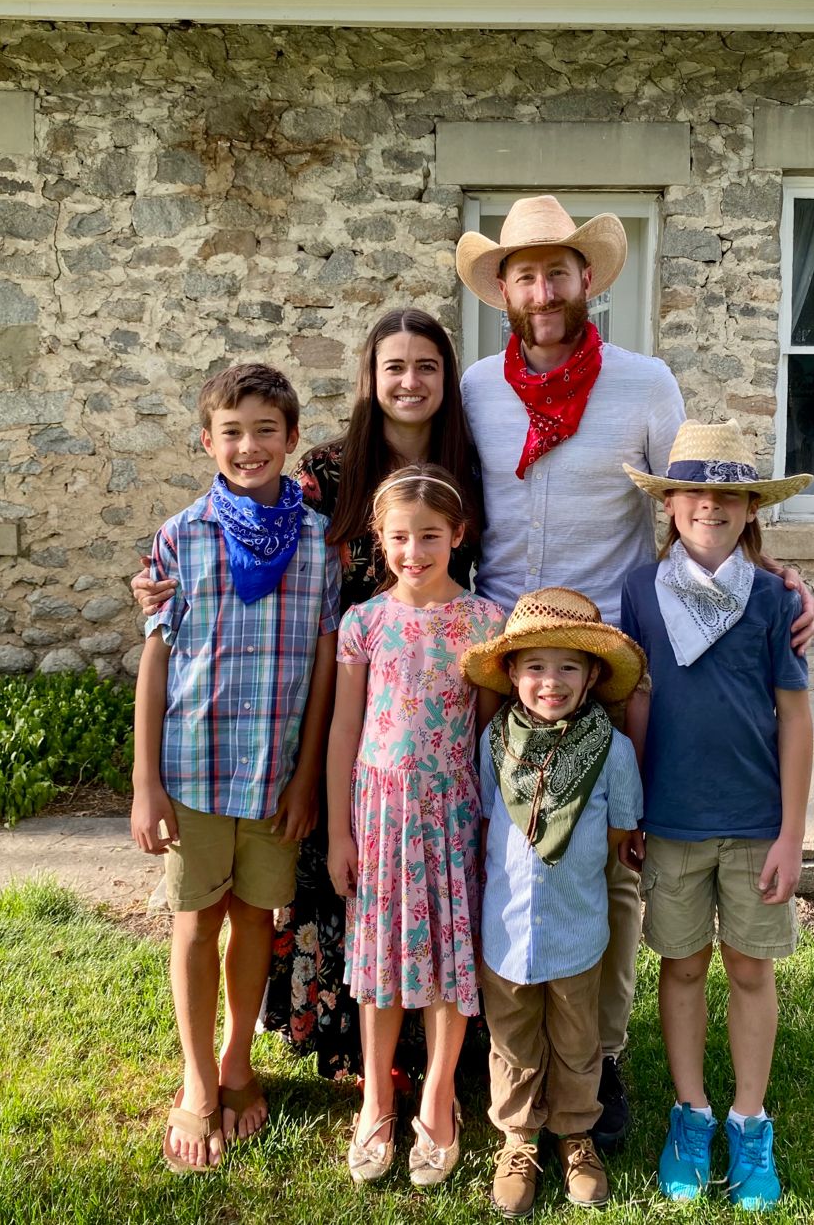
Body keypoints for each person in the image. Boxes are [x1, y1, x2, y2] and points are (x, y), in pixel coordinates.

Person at [455, 194, 814, 1148]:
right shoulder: (475, 391)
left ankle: (599, 1057)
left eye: (558, 270)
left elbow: (701, 502)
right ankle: (500, 1043)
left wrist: (776, 572)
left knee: (612, 857)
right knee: (501, 842)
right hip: (504, 660)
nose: (542, 289)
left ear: (589, 281)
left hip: (612, 661)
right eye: (523, 273)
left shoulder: (646, 384)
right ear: (503, 290)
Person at [132, 310, 481, 1078]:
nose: (410, 381)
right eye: (394, 366)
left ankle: (430, 1049)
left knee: (393, 881)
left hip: (404, 691)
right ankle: (345, 1043)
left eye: (427, 366)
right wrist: (153, 597)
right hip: (329, 693)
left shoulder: (469, 460)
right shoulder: (325, 471)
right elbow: (193, 588)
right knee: (333, 873)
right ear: (371, 377)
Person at [129, 362, 340, 1173]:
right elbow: (156, 660)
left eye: (265, 431)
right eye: (232, 432)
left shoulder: (319, 543)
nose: (248, 446)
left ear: (292, 440)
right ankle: (195, 1078)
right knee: (196, 921)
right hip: (196, 770)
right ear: (206, 441)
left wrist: (305, 778)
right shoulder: (181, 536)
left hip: (277, 773)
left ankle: (237, 1062)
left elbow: (325, 667)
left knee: (257, 918)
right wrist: (146, 782)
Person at [619, 419, 814, 1212]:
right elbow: (636, 697)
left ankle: (750, 1119)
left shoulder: (773, 598)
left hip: (755, 820)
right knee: (684, 964)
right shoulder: (638, 591)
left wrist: (793, 834)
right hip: (669, 820)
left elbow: (795, 717)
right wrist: (631, 804)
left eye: (729, 494)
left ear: (750, 508)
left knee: (748, 967)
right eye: (694, 491)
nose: (710, 505)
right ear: (669, 503)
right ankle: (692, 1114)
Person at [325, 465, 505, 1186]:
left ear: (457, 536)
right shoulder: (363, 622)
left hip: (452, 809)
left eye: (430, 536)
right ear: (380, 538)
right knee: (380, 964)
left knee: (445, 958)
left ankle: (437, 1100)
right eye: (400, 537)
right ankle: (376, 1099)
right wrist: (339, 831)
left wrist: (490, 824)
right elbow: (345, 728)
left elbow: (491, 733)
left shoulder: (485, 623)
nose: (414, 551)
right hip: (378, 811)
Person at [462, 589, 646, 1216]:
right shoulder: (492, 745)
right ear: (511, 674)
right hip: (507, 932)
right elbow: (488, 825)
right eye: (535, 667)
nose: (551, 682)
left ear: (594, 675)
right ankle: (517, 1137)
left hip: (577, 931)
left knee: (576, 1037)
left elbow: (621, 835)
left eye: (568, 666)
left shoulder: (613, 752)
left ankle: (575, 1133)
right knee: (512, 1038)